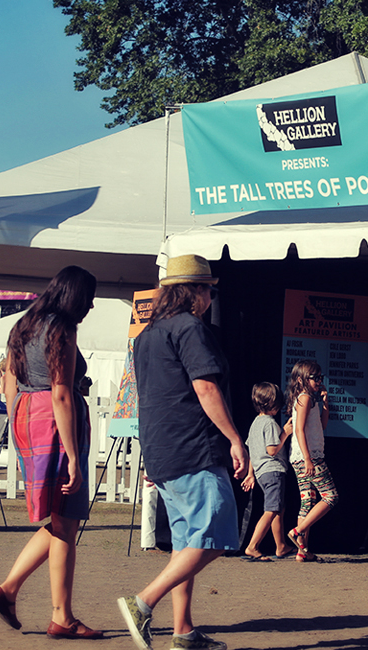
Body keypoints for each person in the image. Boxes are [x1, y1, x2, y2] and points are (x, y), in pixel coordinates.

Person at [117, 254, 248, 650]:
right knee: (216, 535)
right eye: (208, 288)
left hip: (162, 449)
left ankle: (183, 632)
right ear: (193, 291)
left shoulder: (146, 336)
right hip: (195, 447)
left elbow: (149, 397)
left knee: (185, 543)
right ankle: (142, 603)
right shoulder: (190, 328)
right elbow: (205, 388)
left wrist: (149, 453)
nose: (211, 296)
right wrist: (235, 438)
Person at [0, 265, 103, 640]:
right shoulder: (62, 327)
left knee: (57, 519)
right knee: (66, 520)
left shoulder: (23, 324)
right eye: (88, 298)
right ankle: (62, 617)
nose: (91, 306)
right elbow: (61, 392)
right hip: (54, 423)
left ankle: (8, 590)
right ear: (75, 297)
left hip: (26, 418)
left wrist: (17, 417)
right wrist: (72, 457)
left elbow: (8, 378)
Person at [284, 360, 339, 563]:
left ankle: (302, 551)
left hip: (304, 456)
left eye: (320, 377)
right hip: (309, 456)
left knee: (308, 501)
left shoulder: (310, 399)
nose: (318, 381)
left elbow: (323, 425)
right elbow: (298, 430)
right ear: (301, 379)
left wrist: (325, 402)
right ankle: (298, 531)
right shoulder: (304, 398)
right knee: (331, 496)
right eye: (314, 377)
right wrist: (308, 459)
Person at [241, 381, 295, 560]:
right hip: (273, 470)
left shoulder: (255, 423)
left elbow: (251, 450)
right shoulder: (270, 423)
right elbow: (272, 450)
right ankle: (252, 546)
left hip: (261, 472)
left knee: (279, 509)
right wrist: (285, 433)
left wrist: (250, 474)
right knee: (271, 509)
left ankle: (280, 547)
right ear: (273, 404)